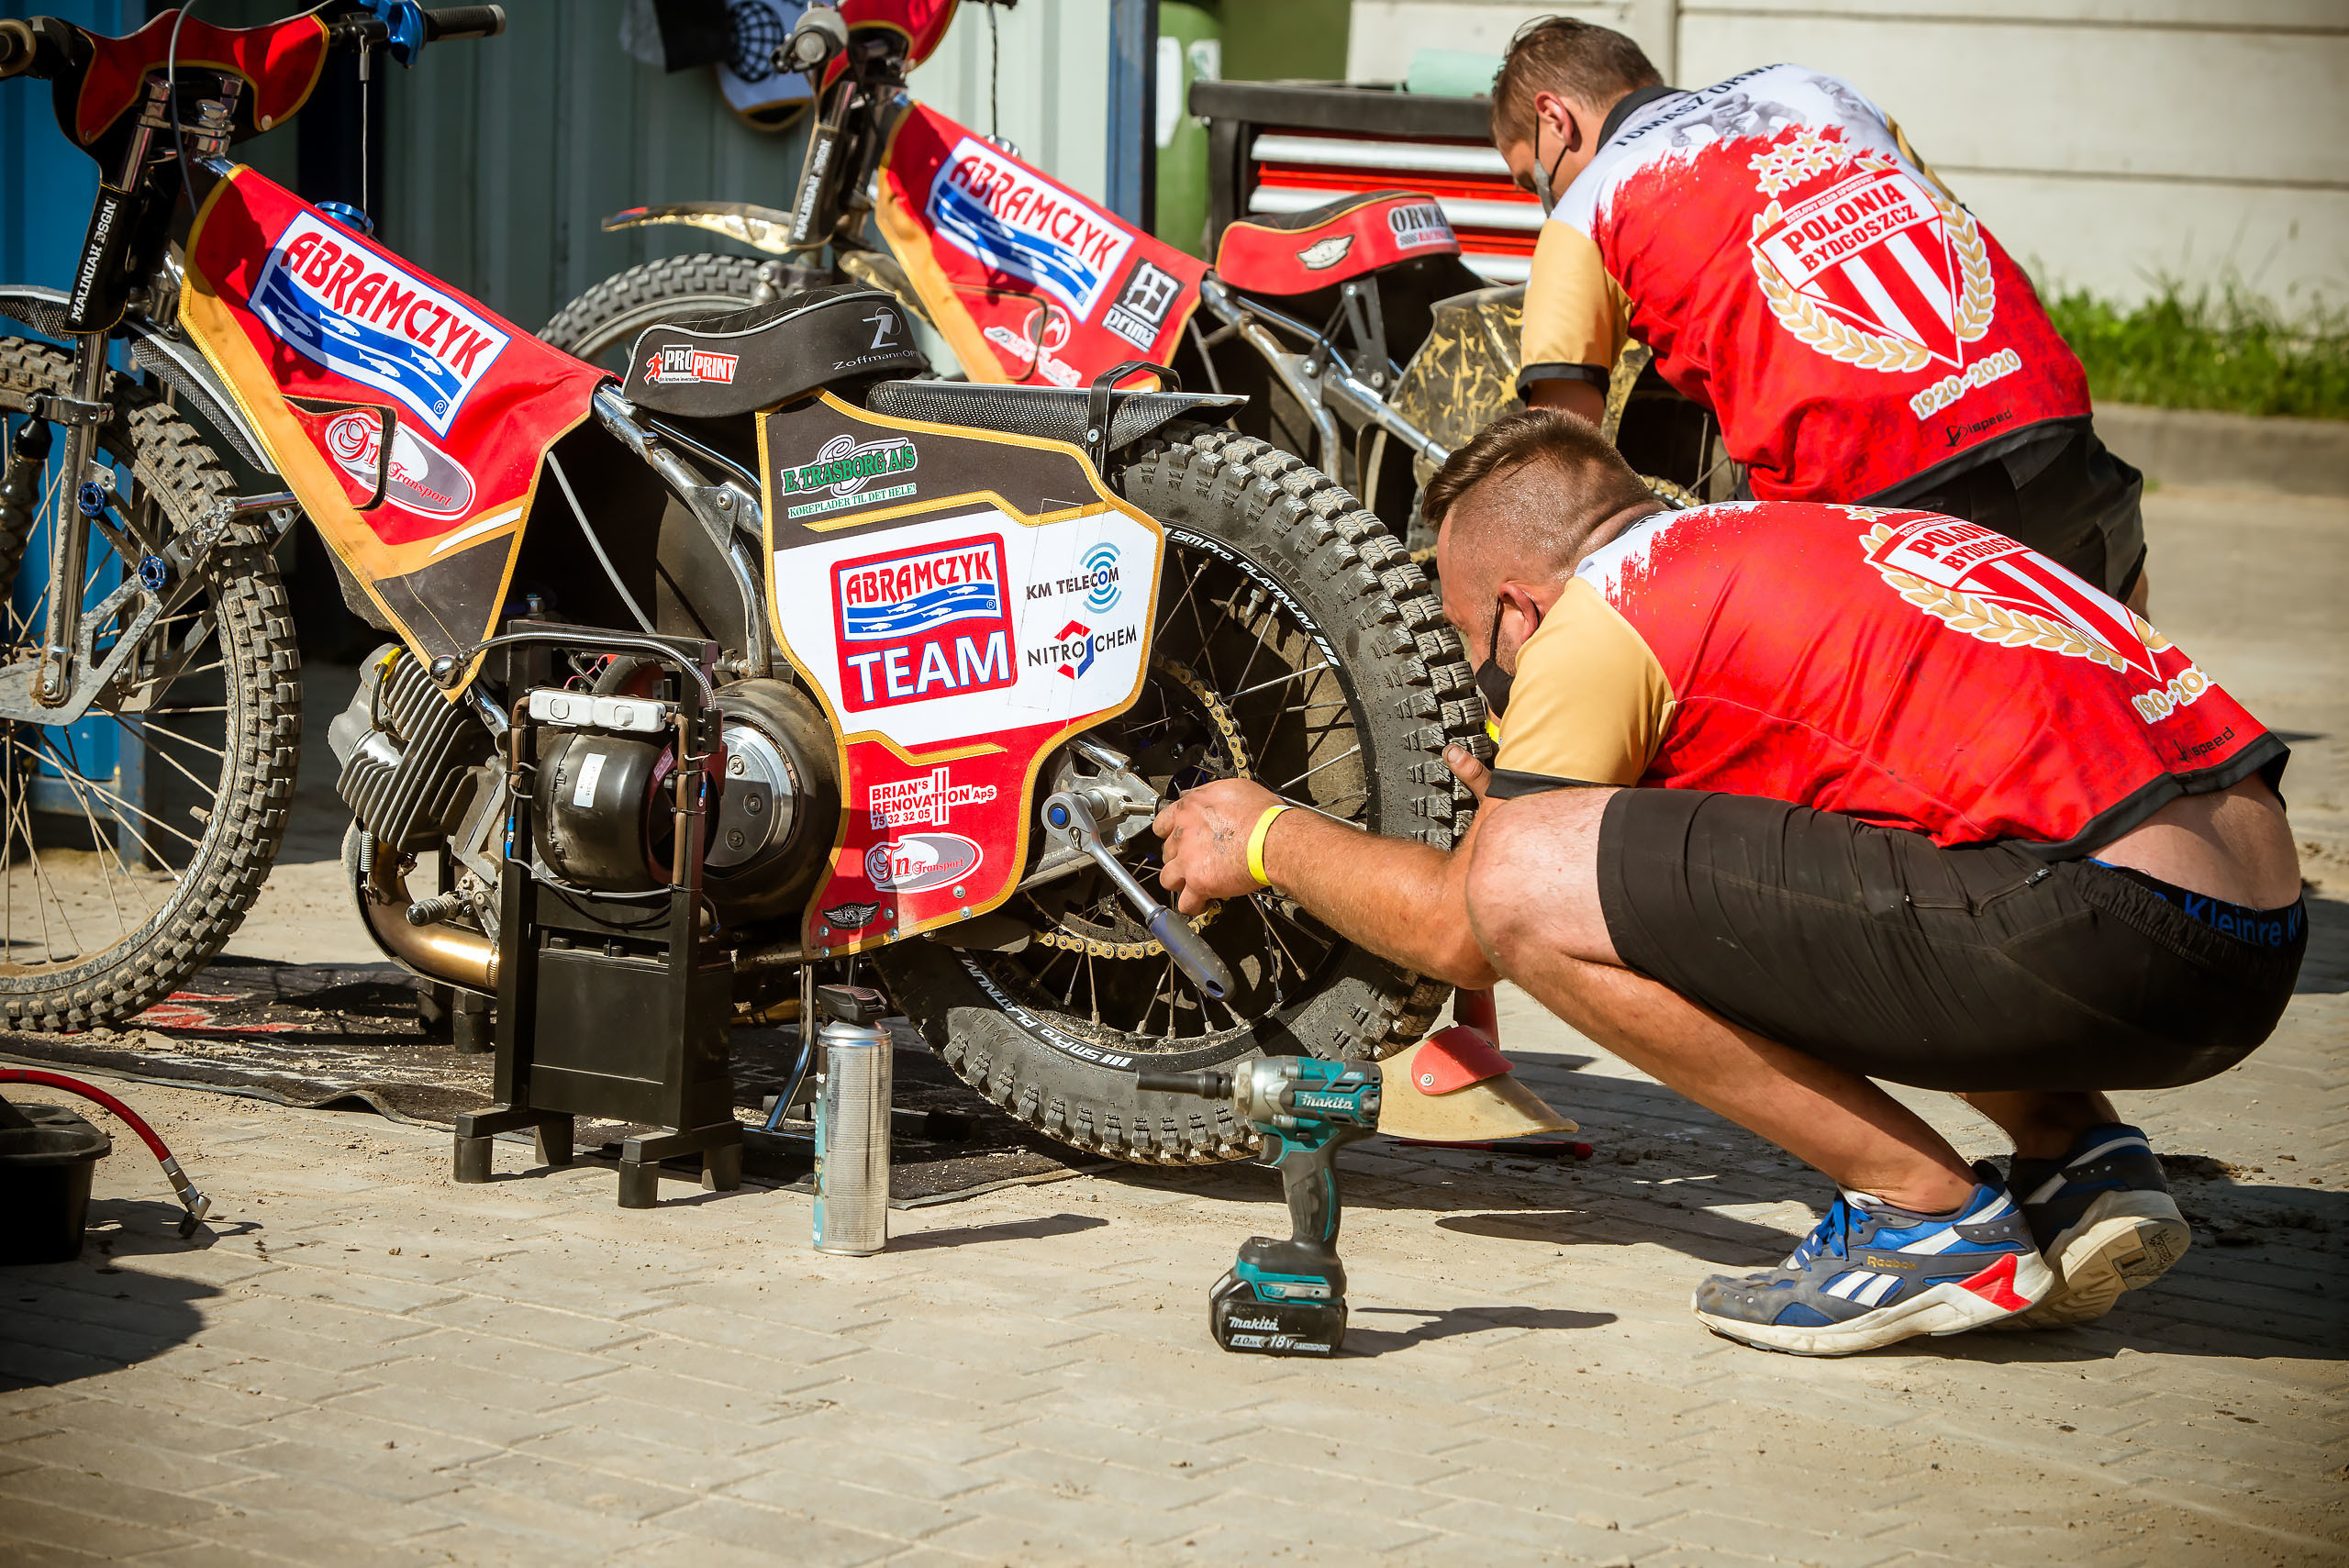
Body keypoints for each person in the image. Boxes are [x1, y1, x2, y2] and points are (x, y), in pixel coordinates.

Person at [1152, 410, 2303, 1356]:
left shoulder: (1605, 610)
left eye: (1472, 635)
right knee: (1802, 848)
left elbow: (1465, 928)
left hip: (2104, 926)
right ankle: (2077, 1160)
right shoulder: (1794, 543)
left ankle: (1926, 1220)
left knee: (1525, 879)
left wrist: (1265, 835)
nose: (1489, 670)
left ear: (1518, 606)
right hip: (2250, 938)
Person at [1492, 17, 2152, 611]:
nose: (1544, 198)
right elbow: (1952, 233)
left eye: (1533, 180)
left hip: (1871, 497)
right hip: (2049, 422)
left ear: (1557, 119)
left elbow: (1560, 463)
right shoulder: (1816, 88)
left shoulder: (1585, 212)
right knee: (2134, 691)